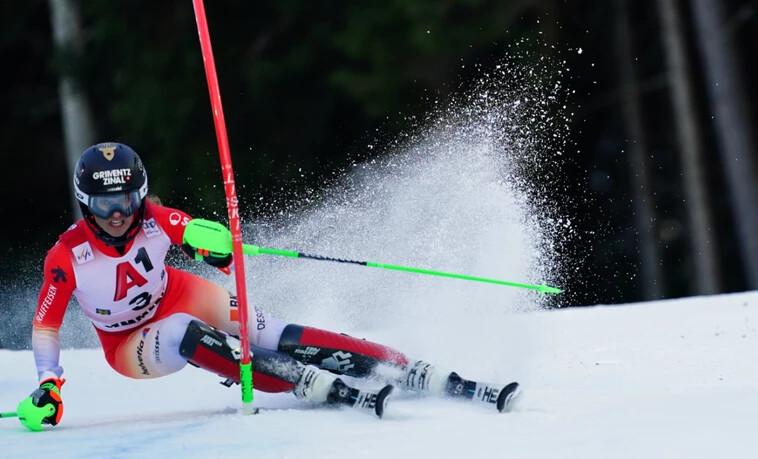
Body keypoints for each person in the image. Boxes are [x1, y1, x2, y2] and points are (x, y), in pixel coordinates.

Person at [18, 142, 518, 431]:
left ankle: (401, 364)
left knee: (269, 329)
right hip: (128, 343)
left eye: (127, 199)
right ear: (87, 204)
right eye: (106, 205)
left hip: (177, 292)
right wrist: (49, 383)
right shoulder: (67, 257)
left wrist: (211, 242)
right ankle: (298, 380)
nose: (119, 214)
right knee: (181, 332)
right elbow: (46, 326)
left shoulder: (151, 216)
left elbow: (193, 232)